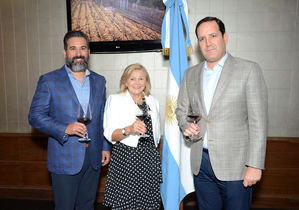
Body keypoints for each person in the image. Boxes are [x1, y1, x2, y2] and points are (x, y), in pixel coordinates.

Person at [176, 16, 268, 210]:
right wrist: (186, 126)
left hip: (237, 166)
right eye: (202, 38)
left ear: (225, 37)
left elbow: (258, 122)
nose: (207, 43)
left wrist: (255, 164)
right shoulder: (190, 74)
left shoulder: (249, 70)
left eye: (212, 35)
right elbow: (181, 111)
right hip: (201, 163)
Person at [28, 30, 111, 210]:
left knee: (87, 206)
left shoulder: (99, 81)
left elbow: (104, 117)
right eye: (73, 49)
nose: (78, 53)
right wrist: (65, 128)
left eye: (83, 48)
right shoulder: (49, 80)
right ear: (65, 52)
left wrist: (105, 146)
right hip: (64, 158)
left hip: (94, 157)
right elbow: (35, 116)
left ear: (88, 51)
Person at [102, 63, 162, 209]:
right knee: (125, 205)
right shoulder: (115, 100)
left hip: (149, 161)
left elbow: (157, 134)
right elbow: (110, 134)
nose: (137, 83)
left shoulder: (153, 102)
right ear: (125, 81)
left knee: (148, 205)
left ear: (146, 82)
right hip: (126, 162)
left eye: (141, 79)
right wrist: (128, 129)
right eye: (132, 79)